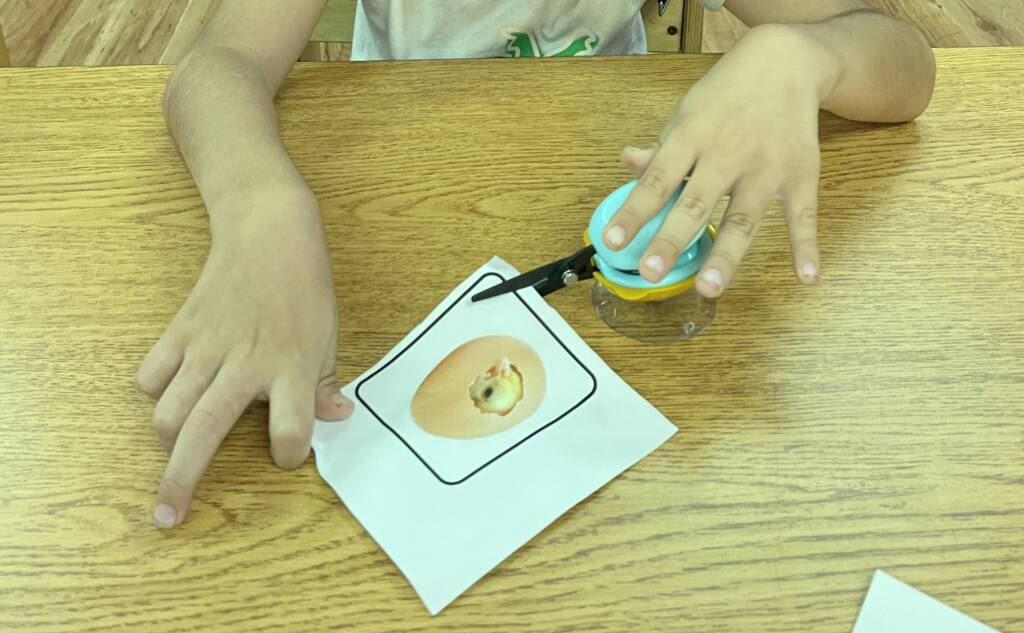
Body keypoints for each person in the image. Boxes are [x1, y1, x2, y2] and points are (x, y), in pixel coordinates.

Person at [137, 1, 936, 528]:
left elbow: (908, 67)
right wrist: (262, 207)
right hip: (403, 215)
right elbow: (215, 66)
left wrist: (807, 53)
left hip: (608, 306)